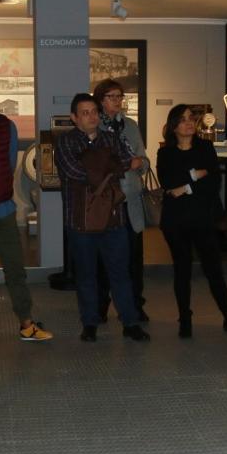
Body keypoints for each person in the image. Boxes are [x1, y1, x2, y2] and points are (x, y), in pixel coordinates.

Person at [0, 76, 53, 344]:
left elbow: (9, 161)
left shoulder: (7, 126)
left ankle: (26, 323)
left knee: (16, 269)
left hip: (4, 210)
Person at [55, 93, 149, 343]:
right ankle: (90, 323)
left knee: (120, 273)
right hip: (80, 221)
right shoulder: (65, 142)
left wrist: (103, 167)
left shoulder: (112, 137)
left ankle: (130, 323)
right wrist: (111, 167)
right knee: (86, 275)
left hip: (113, 219)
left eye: (95, 111)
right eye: (85, 113)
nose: (92, 116)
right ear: (74, 118)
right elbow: (74, 172)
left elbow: (131, 161)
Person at [156, 104, 227, 338]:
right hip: (175, 222)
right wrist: (195, 175)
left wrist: (185, 185)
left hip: (202, 219)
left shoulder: (206, 147)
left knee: (214, 271)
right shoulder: (165, 152)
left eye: (192, 118)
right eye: (183, 119)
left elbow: (212, 185)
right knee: (182, 271)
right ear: (173, 126)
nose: (189, 122)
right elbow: (168, 182)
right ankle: (185, 320)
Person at [94, 79, 149, 321]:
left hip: (131, 202)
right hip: (106, 204)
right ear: (100, 100)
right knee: (104, 258)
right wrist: (128, 163)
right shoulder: (94, 128)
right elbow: (99, 167)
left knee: (134, 259)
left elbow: (144, 161)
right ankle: (101, 305)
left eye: (119, 96)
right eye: (111, 96)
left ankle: (136, 305)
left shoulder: (130, 125)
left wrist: (137, 163)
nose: (117, 101)